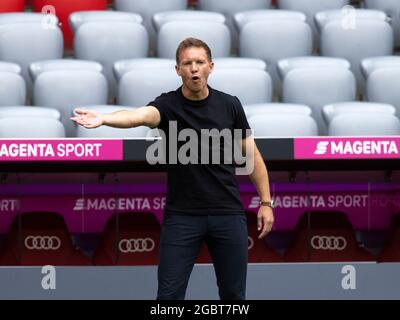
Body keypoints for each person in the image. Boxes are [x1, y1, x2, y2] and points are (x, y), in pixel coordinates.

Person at [71, 38, 274, 300]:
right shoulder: (167, 106)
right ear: (177, 70)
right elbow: (138, 116)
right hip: (182, 217)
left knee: (234, 296)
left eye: (200, 62)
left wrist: (266, 202)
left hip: (227, 213)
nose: (194, 68)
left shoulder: (230, 105)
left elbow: (253, 156)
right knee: (168, 298)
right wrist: (105, 119)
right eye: (187, 63)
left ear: (211, 67)